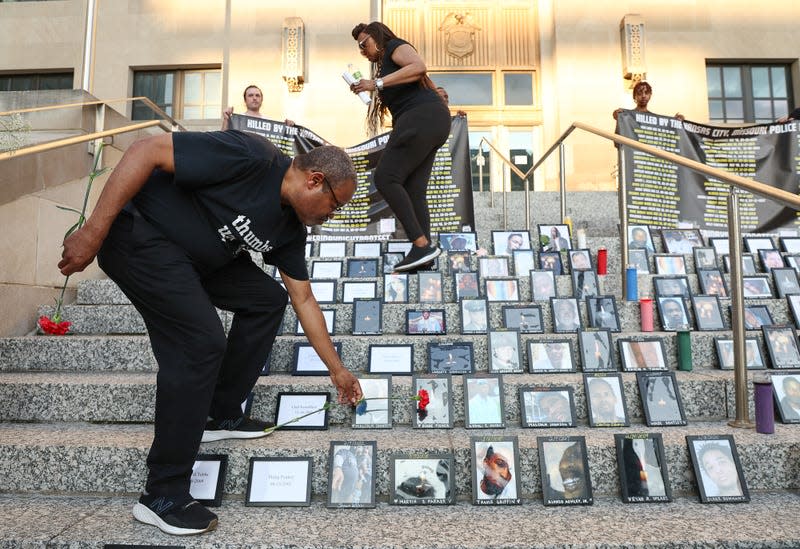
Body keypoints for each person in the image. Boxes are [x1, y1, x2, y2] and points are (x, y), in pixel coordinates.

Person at [57, 130, 363, 536]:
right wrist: (94, 230)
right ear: (315, 180)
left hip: (199, 259)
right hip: (141, 235)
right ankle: (162, 493)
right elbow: (146, 149)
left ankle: (220, 411)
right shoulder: (252, 157)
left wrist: (338, 370)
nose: (332, 215)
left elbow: (303, 300)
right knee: (200, 343)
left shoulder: (290, 230)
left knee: (267, 298)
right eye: (334, 205)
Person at [350, 22, 451, 272]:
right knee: (414, 188)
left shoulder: (395, 45)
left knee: (385, 177)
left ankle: (420, 244)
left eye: (364, 44)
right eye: (359, 48)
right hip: (430, 120)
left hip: (421, 117)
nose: (363, 50)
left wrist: (377, 84)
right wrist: (371, 88)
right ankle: (424, 254)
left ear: (377, 37)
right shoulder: (384, 69)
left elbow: (419, 67)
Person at [221, 84, 294, 130]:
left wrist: (290, 129)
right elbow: (223, 140)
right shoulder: (236, 121)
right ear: (245, 100)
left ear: (261, 100)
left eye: (257, 95)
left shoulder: (270, 124)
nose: (254, 98)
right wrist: (226, 119)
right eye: (250, 95)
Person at [612, 80, 684, 122]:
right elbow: (617, 142)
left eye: (646, 93)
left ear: (650, 95)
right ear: (634, 96)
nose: (643, 96)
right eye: (640, 93)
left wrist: (675, 123)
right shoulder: (626, 117)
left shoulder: (656, 120)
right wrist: (619, 120)